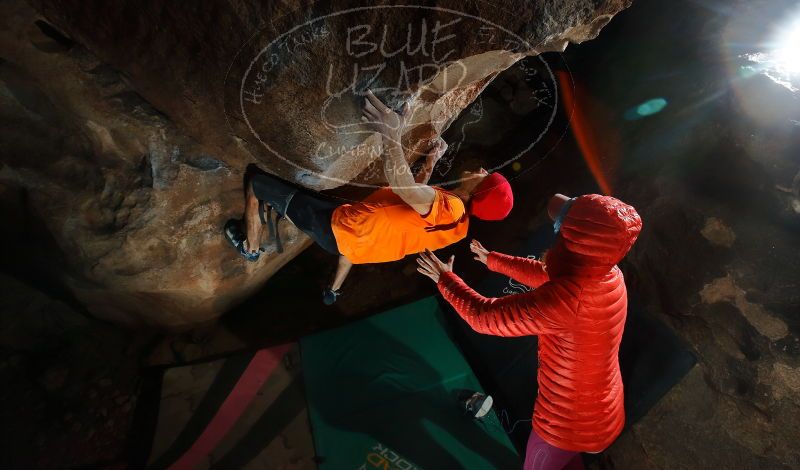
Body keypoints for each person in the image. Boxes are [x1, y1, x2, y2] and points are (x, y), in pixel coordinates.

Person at [416, 193, 642, 470]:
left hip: (566, 424)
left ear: (578, 244)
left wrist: (445, 279)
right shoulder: (607, 274)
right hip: (601, 411)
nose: (557, 232)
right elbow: (551, 276)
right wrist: (494, 261)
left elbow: (483, 317)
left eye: (564, 229)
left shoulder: (568, 301)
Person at [225, 90, 514, 304]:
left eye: (485, 176)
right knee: (347, 247)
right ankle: (333, 291)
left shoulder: (450, 208)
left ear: (479, 190)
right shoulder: (458, 225)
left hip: (340, 228)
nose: (481, 169)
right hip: (364, 242)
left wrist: (391, 132)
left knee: (257, 182)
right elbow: (415, 202)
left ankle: (250, 247)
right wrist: (430, 162)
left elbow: (403, 187)